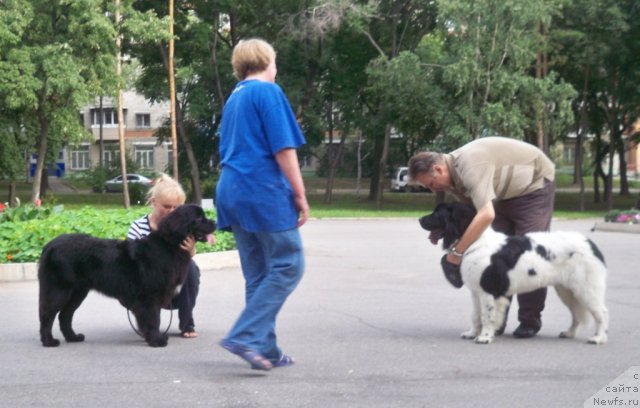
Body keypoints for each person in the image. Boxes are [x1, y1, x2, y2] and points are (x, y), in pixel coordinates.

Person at [215, 38, 309, 371]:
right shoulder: (268, 92)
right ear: (269, 61)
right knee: (289, 264)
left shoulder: (235, 98)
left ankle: (265, 349)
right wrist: (299, 193)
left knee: (258, 274)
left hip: (231, 189)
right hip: (261, 188)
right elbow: (284, 148)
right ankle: (245, 336)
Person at [408, 136, 556, 339]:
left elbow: (486, 214)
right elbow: (471, 214)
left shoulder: (470, 166)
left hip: (533, 186)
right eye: (429, 187)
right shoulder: (452, 179)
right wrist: (443, 231)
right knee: (494, 256)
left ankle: (529, 319)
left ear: (439, 169)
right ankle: (494, 319)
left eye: (432, 183)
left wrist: (457, 251)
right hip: (504, 195)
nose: (434, 190)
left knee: (528, 254)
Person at [127, 174, 202, 338]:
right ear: (154, 202)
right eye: (167, 206)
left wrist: (190, 250)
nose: (172, 211)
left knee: (190, 267)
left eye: (177, 207)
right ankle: (150, 325)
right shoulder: (138, 228)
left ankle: (187, 324)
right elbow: (130, 263)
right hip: (143, 288)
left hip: (170, 288)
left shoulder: (184, 228)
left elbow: (184, 262)